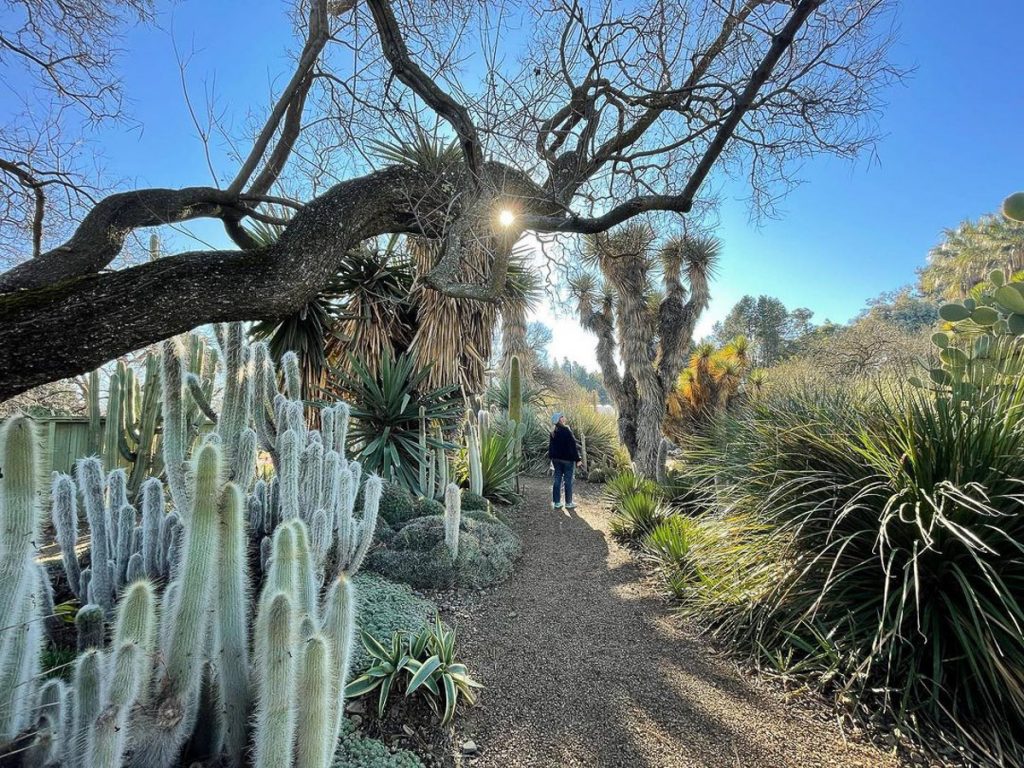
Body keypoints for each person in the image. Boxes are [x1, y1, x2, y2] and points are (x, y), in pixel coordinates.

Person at [548, 412, 581, 510]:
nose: (564, 418)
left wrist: (552, 457)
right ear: (559, 420)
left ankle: (557, 503)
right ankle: (568, 503)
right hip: (567, 460)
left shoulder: (553, 431)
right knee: (568, 481)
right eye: (562, 417)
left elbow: (551, 447)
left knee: (557, 479)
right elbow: (573, 446)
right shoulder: (566, 430)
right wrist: (578, 459)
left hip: (556, 460)